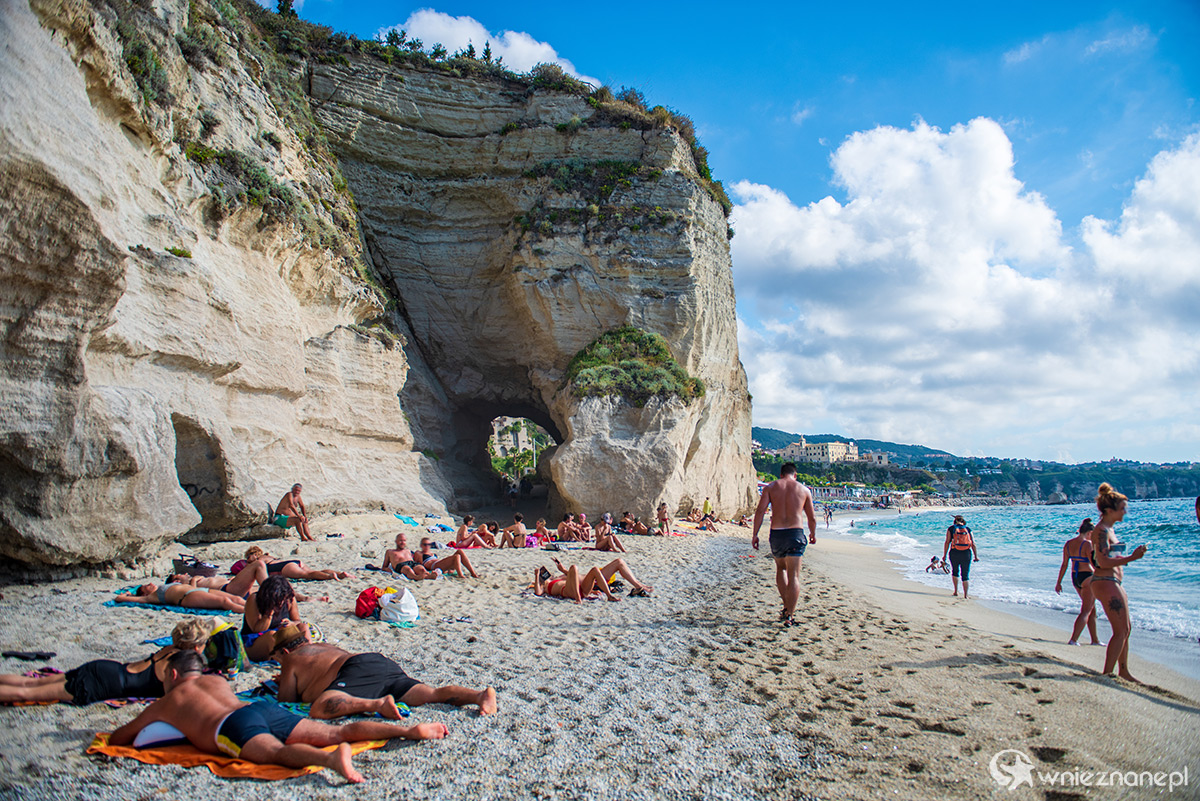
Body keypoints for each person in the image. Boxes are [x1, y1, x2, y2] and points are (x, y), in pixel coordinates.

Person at [108, 651, 447, 784]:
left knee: (272, 752)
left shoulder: (167, 702)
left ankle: (330, 761)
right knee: (333, 732)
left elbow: (119, 738)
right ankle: (407, 730)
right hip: (259, 710)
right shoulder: (218, 681)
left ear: (174, 676)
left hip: (232, 727)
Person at [271, 627, 497, 718]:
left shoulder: (291, 658)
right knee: (430, 694)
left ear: (284, 651)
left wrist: (284, 680)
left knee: (320, 707)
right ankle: (479, 696)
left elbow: (285, 700)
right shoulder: (324, 647)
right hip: (375, 662)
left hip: (353, 672)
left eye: (277, 658)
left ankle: (376, 704)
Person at [0, 619, 209, 705]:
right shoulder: (178, 666)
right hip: (102, 685)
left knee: (31, 683)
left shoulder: (168, 649)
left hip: (105, 667)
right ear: (196, 647)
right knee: (26, 694)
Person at [1089, 483, 1148, 681]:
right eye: (1122, 508)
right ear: (1109, 510)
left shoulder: (1108, 530)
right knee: (1120, 630)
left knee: (1126, 629)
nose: (1125, 511)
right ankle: (1107, 673)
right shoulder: (1101, 531)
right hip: (1105, 581)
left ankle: (1123, 671)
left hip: (1112, 581)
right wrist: (1132, 557)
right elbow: (1103, 561)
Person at [752, 463, 817, 627]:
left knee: (781, 569)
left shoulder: (771, 487)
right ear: (795, 475)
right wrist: (813, 534)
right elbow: (812, 518)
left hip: (777, 534)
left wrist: (755, 534)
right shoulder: (804, 490)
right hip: (795, 533)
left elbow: (760, 511)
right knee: (794, 575)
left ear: (781, 475)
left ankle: (786, 606)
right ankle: (790, 615)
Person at [1055, 518, 1103, 646]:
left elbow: (1064, 564)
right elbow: (1094, 564)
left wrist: (1059, 582)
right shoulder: (1087, 544)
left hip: (1075, 577)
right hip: (1087, 577)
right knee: (1086, 610)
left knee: (1092, 609)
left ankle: (1095, 640)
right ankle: (1074, 639)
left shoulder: (1068, 544)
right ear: (1089, 533)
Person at [532, 557, 652, 603]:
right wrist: (537, 576)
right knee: (574, 567)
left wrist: (562, 570)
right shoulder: (545, 585)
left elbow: (573, 576)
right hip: (569, 591)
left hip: (584, 586)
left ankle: (609, 596)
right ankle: (579, 599)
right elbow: (538, 592)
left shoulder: (559, 578)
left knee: (595, 569)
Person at [243, 575, 306, 663]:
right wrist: (268, 615)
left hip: (281, 638)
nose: (280, 603)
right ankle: (283, 661)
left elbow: (297, 620)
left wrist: (291, 623)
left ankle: (308, 655)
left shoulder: (289, 599)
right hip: (254, 642)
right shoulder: (254, 599)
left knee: (303, 627)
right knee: (271, 635)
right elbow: (256, 630)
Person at [114, 582, 246, 613]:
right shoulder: (150, 598)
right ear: (144, 593)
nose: (150, 584)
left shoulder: (162, 585)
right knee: (225, 602)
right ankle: (249, 612)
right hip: (187, 597)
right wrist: (127, 594)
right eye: (146, 586)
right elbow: (119, 599)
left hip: (199, 590)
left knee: (237, 599)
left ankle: (258, 608)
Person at [169, 559, 269, 599]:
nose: (185, 573)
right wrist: (194, 580)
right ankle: (271, 589)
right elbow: (193, 594)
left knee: (281, 585)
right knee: (258, 564)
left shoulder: (195, 580)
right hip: (228, 590)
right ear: (177, 581)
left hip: (231, 586)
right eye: (180, 575)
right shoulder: (190, 585)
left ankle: (273, 590)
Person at [244, 546, 351, 581]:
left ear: (254, 554)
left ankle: (330, 576)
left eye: (248, 557)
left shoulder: (260, 560)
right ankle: (340, 574)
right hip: (293, 562)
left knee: (308, 575)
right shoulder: (268, 555)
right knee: (313, 571)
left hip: (284, 567)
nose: (248, 560)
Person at [941, 515, 979, 599]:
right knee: (965, 574)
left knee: (955, 571)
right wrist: (976, 556)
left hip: (954, 552)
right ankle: (966, 595)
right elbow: (973, 543)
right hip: (966, 553)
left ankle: (956, 591)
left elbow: (947, 542)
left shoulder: (951, 529)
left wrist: (944, 555)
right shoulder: (968, 529)